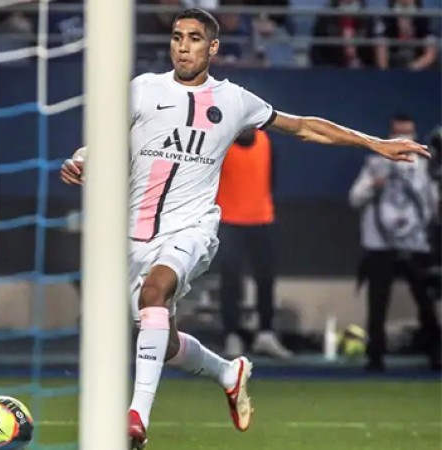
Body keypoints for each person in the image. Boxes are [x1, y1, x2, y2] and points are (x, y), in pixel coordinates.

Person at [59, 8, 430, 449]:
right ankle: (226, 371)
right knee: (164, 339)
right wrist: (83, 158)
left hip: (192, 229)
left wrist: (374, 143)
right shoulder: (143, 90)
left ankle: (136, 416)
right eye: (177, 37)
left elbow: (306, 128)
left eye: (194, 38)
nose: (183, 46)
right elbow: (103, 139)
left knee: (153, 295)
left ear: (212, 47)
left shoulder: (234, 100)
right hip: (133, 235)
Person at [349, 113, 441, 372]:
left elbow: (432, 206)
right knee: (377, 303)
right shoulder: (375, 164)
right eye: (398, 133)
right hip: (380, 245)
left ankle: (435, 352)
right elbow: (355, 198)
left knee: (426, 302)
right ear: (389, 135)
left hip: (415, 244)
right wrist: (372, 186)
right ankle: (374, 357)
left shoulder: (425, 167)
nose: (404, 138)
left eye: (408, 133)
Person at [216, 128, 292, 359]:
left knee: (266, 280)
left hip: (262, 220)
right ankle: (232, 335)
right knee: (230, 282)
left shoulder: (265, 141)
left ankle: (266, 335)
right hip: (229, 221)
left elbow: (271, 178)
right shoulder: (222, 142)